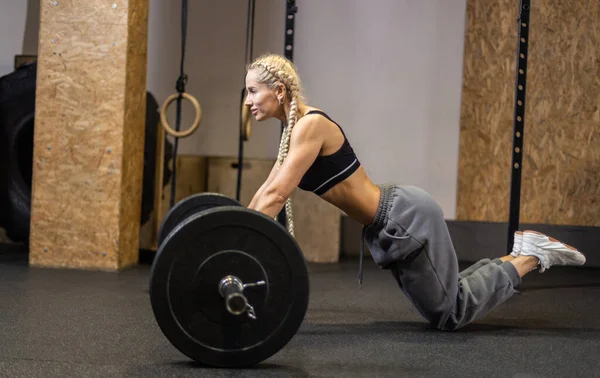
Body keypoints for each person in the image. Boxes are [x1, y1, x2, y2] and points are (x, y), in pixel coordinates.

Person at [244, 53, 587, 331]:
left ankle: (529, 258)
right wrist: (233, 230)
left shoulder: (311, 125)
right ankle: (516, 256)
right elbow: (266, 194)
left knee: (450, 313)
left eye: (253, 91)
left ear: (279, 91)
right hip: (390, 223)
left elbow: (276, 196)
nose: (248, 101)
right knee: (448, 300)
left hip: (403, 217)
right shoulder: (292, 134)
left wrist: (237, 248)